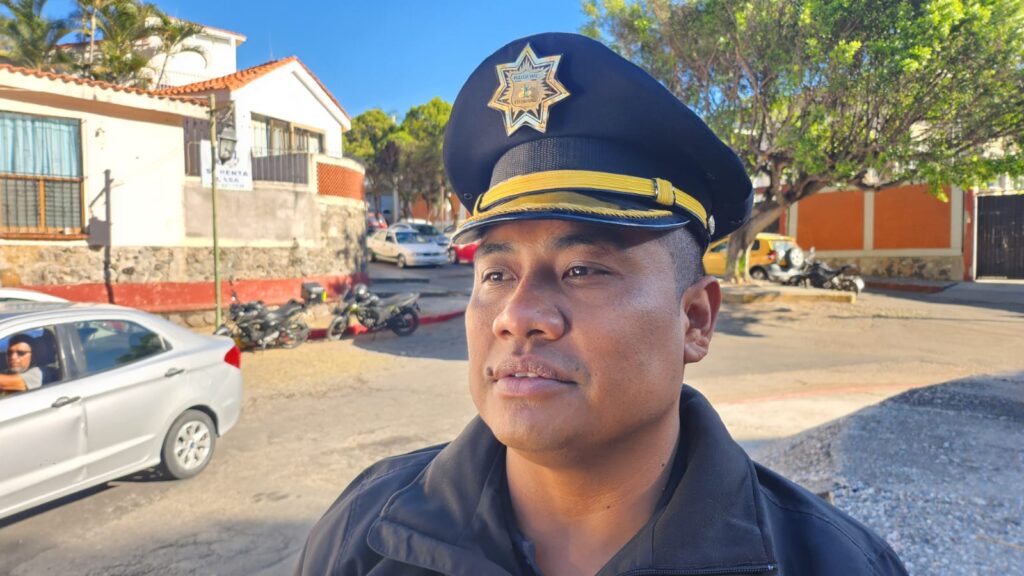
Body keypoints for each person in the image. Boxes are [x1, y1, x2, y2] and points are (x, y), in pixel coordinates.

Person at [294, 33, 907, 575]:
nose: (517, 315)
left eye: (583, 270)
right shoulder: (365, 536)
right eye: (497, 274)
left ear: (695, 320)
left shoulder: (835, 563)